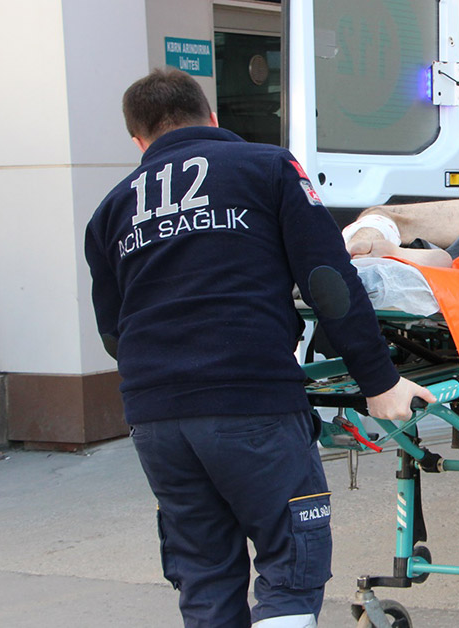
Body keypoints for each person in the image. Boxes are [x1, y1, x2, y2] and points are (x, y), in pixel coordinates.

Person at [84, 68, 435, 628]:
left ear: (138, 142)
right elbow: (326, 279)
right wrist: (380, 382)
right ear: (214, 117)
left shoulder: (109, 211)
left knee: (202, 574)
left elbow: (112, 333)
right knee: (290, 563)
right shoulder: (267, 167)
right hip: (252, 400)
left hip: (156, 418)